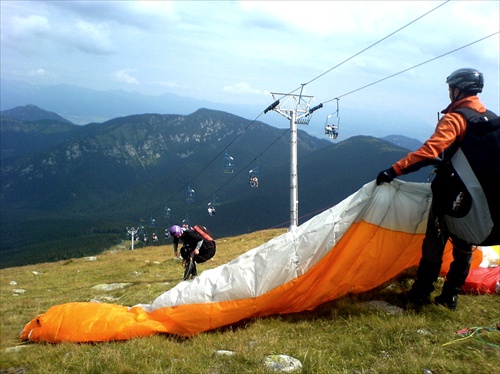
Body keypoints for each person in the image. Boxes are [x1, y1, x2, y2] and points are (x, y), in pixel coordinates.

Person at [376, 68, 488, 311]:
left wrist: (394, 170)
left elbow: (430, 151)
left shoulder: (456, 118)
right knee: (464, 243)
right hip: (475, 196)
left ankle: (421, 294)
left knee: (434, 243)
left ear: (457, 90)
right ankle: (450, 296)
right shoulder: (488, 119)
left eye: (451, 89)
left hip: (450, 192)